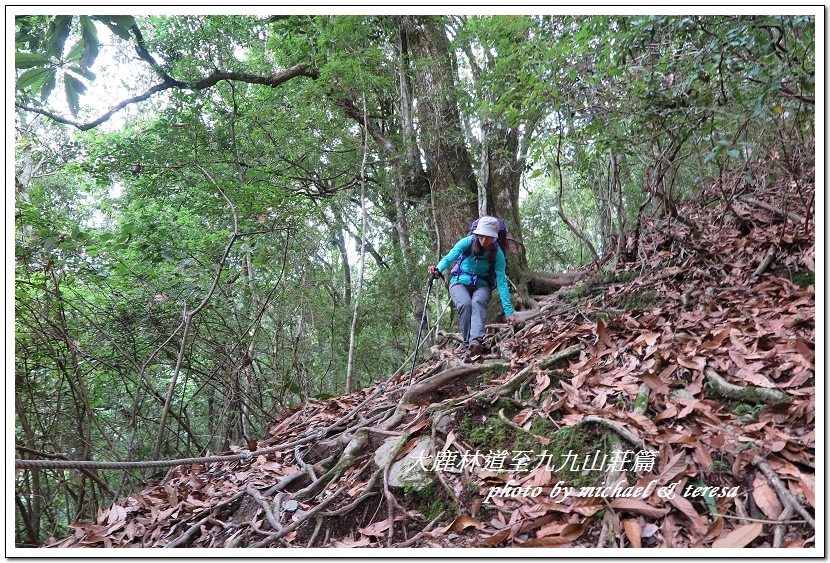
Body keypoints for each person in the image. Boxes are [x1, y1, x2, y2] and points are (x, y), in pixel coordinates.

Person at [428, 216, 516, 357]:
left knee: (478, 302)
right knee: (465, 304)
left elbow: (501, 281)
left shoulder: (497, 253)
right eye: (481, 235)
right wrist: (437, 269)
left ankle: (475, 342)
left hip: (482, 285)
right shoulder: (468, 242)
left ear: (494, 237)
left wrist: (508, 312)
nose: (484, 240)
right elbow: (449, 257)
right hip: (459, 282)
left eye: (488, 236)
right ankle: (467, 342)